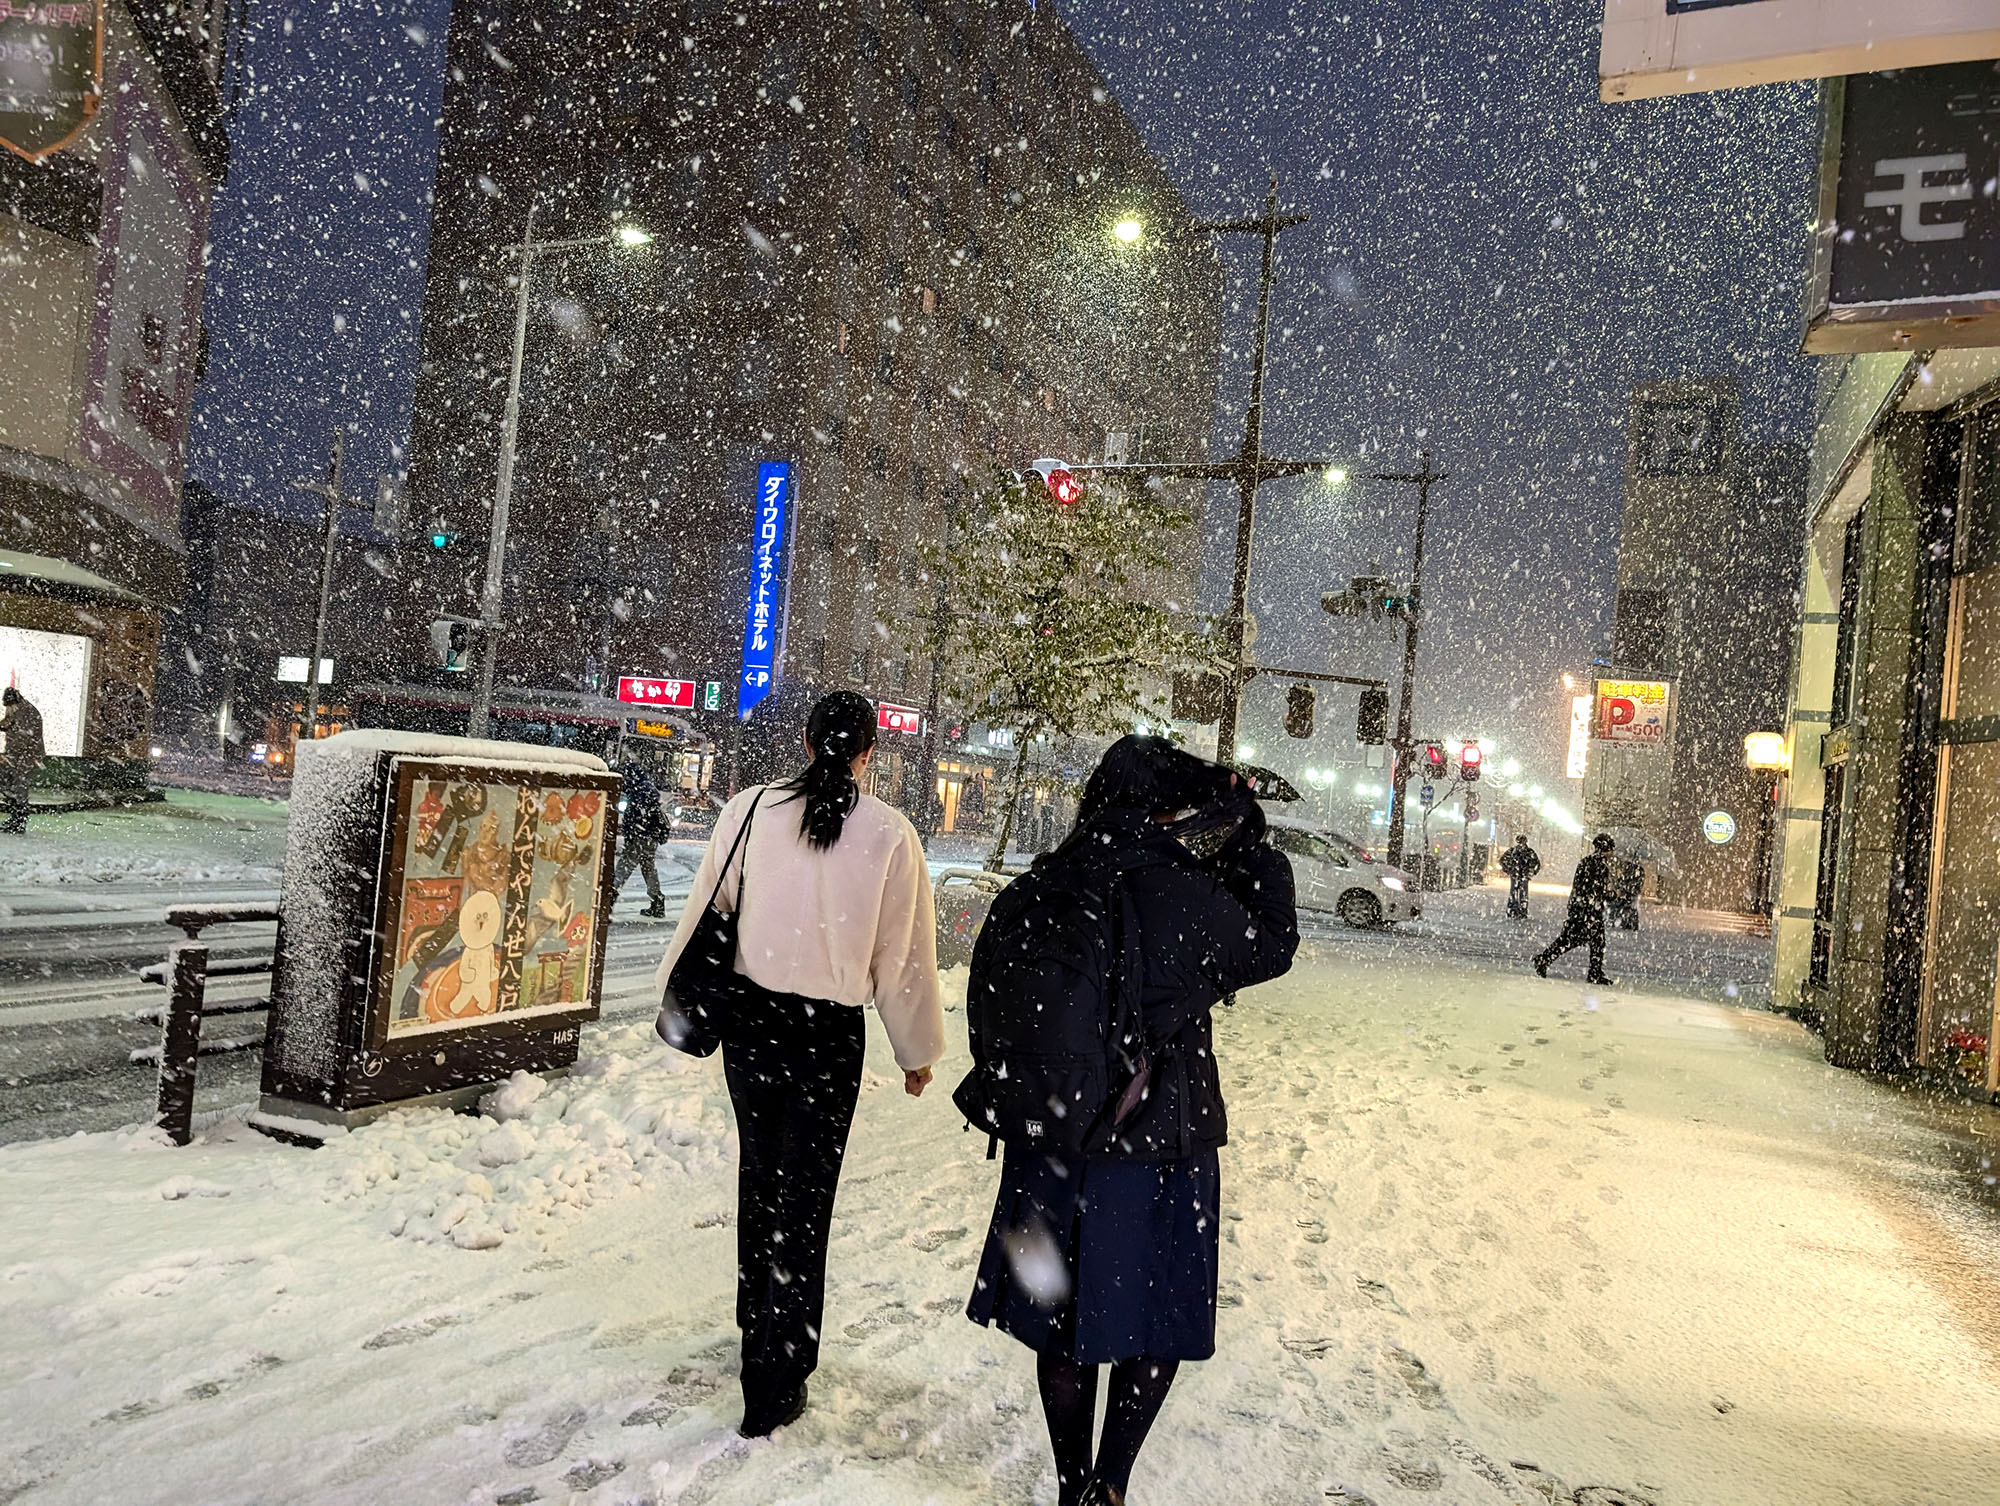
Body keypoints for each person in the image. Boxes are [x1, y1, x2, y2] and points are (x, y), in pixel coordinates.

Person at [965, 736, 1299, 1506]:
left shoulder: (1041, 884)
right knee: (1154, 1319)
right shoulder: (1180, 890)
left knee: (1060, 1323)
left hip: (1047, 1142)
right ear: (1169, 808)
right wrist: (1248, 842)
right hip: (1151, 1143)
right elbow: (1271, 943)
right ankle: (1109, 1485)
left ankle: (1070, 1483)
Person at [655, 690, 945, 1438]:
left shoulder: (750, 810)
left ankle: (756, 1330)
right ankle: (779, 1371)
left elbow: (707, 913)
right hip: (828, 1038)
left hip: (752, 1025)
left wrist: (677, 1003)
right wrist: (916, 1052)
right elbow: (902, 958)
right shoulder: (890, 834)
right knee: (807, 1199)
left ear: (809, 742)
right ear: (868, 752)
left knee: (760, 1176)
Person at [1533, 832, 1616, 985]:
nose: (1612, 852)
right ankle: (1544, 959)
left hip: (1582, 908)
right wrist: (1611, 895)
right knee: (1575, 940)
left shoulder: (1588, 862)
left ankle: (1594, 972)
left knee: (1590, 941)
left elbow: (1584, 888)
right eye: (1611, 849)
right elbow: (1594, 891)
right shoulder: (1598, 866)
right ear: (1605, 849)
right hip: (1587, 910)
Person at [613, 759, 668, 918]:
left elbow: (634, 818)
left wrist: (631, 835)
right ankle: (657, 901)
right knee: (648, 868)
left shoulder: (637, 792)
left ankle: (609, 900)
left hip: (639, 837)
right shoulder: (647, 789)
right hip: (650, 838)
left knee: (624, 867)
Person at [0, 687, 45, 835]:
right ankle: (15, 816)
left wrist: (7, 757)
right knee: (9, 783)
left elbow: (22, 738)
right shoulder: (17, 708)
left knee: (19, 785)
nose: (7, 709)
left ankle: (19, 820)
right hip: (18, 755)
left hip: (27, 756)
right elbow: (9, 724)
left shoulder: (26, 712)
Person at [1499, 834, 1541, 920]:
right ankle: (1521, 910)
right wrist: (1532, 872)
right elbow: (1537, 864)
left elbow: (1502, 860)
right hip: (1522, 875)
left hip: (1516, 875)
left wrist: (1508, 870)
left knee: (1514, 892)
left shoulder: (1513, 851)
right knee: (1522, 893)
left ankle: (1513, 910)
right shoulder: (1529, 852)